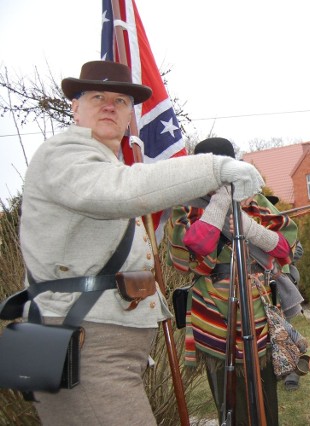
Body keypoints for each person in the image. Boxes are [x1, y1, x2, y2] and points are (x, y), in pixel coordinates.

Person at [18, 61, 264, 425]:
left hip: (92, 341)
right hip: (80, 343)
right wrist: (213, 169)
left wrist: (203, 195)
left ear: (130, 114)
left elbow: (122, 190)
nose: (109, 106)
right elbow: (121, 191)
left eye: (120, 101)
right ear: (75, 105)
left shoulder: (102, 161)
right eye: (97, 96)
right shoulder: (64, 152)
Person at [167, 137, 302, 426]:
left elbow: (285, 246)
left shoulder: (255, 197)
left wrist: (251, 229)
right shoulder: (187, 206)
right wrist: (219, 207)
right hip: (213, 309)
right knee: (229, 402)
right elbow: (188, 250)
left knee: (266, 401)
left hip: (258, 306)